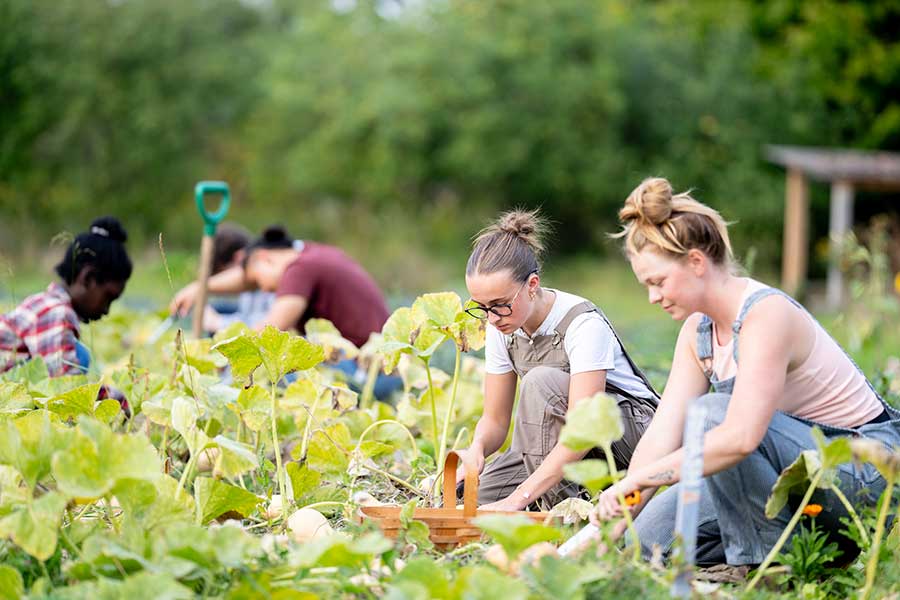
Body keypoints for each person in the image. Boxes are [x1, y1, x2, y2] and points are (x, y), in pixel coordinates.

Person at [593, 177, 900, 567]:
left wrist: (649, 477)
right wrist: (625, 507)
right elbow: (662, 433)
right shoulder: (697, 333)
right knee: (647, 541)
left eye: (658, 282)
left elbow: (740, 437)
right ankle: (799, 552)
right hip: (793, 479)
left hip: (863, 476)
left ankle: (764, 565)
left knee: (712, 415)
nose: (653, 296)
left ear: (696, 262)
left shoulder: (765, 315)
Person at [457, 210, 659, 511]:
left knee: (540, 382)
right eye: (482, 307)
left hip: (628, 436)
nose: (492, 318)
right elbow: (495, 421)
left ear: (532, 284)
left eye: (500, 305)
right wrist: (477, 448)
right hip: (563, 439)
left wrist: (518, 498)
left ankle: (564, 514)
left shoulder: (582, 324)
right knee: (475, 498)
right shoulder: (500, 326)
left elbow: (585, 429)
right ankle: (549, 501)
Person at [170, 225, 400, 398]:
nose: (264, 290)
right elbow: (245, 279)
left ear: (264, 258)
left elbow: (268, 332)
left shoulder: (300, 270)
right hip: (382, 366)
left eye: (258, 283)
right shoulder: (309, 254)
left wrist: (218, 355)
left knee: (277, 370)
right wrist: (201, 287)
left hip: (369, 374)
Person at [1, 217, 132, 376]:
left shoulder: (45, 302)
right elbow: (65, 383)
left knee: (79, 353)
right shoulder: (57, 313)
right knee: (79, 356)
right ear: (88, 278)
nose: (106, 310)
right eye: (108, 298)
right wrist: (119, 399)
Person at [201, 222, 274, 332]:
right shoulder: (249, 291)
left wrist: (217, 323)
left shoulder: (268, 277)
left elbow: (266, 325)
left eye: (224, 276)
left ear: (238, 258)